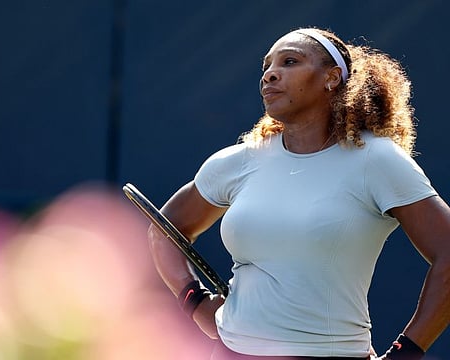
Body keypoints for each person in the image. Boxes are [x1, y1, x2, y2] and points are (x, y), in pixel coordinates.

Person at [146, 27, 450, 359]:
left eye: (289, 61)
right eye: (266, 67)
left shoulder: (377, 160)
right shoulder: (237, 161)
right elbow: (164, 231)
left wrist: (406, 352)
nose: (270, 74)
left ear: (331, 78)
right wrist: (195, 300)